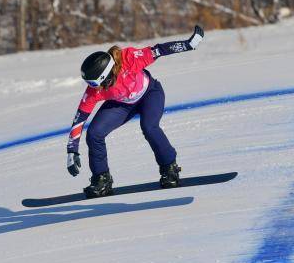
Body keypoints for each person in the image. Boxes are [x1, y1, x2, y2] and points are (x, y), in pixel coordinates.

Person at [66, 25, 204, 197]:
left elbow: (159, 50)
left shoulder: (129, 58)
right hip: (122, 105)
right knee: (94, 133)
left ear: (107, 75)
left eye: (95, 83)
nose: (94, 88)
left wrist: (188, 44)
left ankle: (169, 168)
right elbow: (79, 119)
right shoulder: (95, 91)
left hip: (149, 94)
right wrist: (72, 150)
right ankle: (102, 179)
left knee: (149, 126)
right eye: (91, 84)